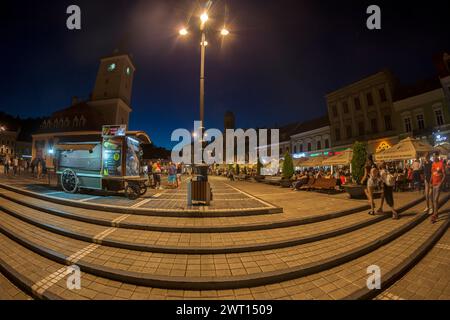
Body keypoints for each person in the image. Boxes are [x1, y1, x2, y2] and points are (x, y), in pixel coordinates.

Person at [431, 152, 446, 224]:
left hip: (438, 184)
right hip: (433, 184)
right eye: (433, 156)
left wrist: (440, 183)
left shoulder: (441, 164)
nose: (433, 157)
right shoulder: (433, 164)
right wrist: (430, 182)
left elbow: (444, 175)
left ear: (437, 156)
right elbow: (432, 173)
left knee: (435, 199)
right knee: (434, 200)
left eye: (434, 156)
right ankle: (436, 213)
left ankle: (434, 214)